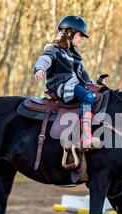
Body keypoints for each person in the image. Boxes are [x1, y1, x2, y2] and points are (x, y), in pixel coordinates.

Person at [33, 15, 99, 149]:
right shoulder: (54, 49)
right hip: (62, 87)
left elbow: (84, 77)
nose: (82, 39)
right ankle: (85, 136)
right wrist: (39, 69)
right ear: (69, 33)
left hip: (74, 85)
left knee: (95, 95)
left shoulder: (74, 56)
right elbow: (45, 59)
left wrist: (96, 86)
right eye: (80, 35)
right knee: (88, 97)